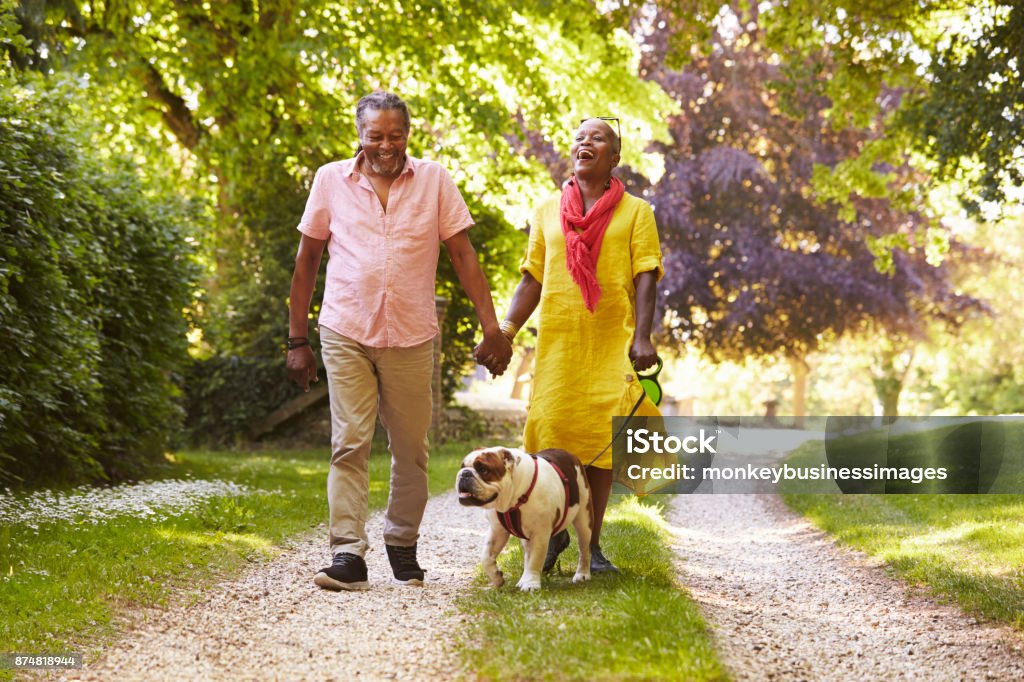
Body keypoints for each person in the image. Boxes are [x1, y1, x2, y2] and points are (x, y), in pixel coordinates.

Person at [287, 91, 512, 591]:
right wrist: (296, 339)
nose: (386, 145)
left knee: (411, 449)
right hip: (345, 328)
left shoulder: (434, 180)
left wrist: (491, 327)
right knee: (349, 443)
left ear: (408, 135)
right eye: (375, 136)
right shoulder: (330, 180)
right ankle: (347, 554)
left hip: (410, 336)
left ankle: (401, 542)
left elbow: (463, 255)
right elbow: (306, 262)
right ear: (360, 137)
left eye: (395, 135)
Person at [495, 117, 663, 574]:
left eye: (598, 138)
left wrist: (642, 336)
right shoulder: (548, 209)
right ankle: (551, 535)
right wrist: (506, 331)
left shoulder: (636, 212)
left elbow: (645, 274)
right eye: (580, 137)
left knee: (601, 445)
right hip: (559, 344)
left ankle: (594, 544)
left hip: (611, 342)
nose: (585, 142)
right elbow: (533, 275)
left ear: (614, 157)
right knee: (550, 435)